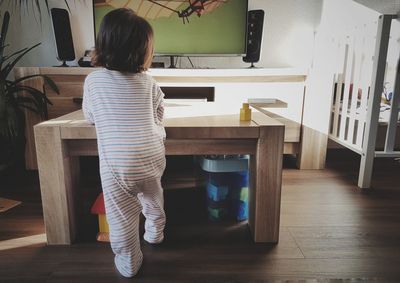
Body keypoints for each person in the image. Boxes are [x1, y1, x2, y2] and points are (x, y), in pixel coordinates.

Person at [82, 8, 166, 278]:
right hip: (153, 156)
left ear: (103, 45)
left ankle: (129, 261)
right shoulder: (150, 83)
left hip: (117, 165)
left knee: (121, 216)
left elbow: (90, 116)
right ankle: (155, 233)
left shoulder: (93, 81)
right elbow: (158, 116)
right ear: (144, 50)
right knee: (152, 196)